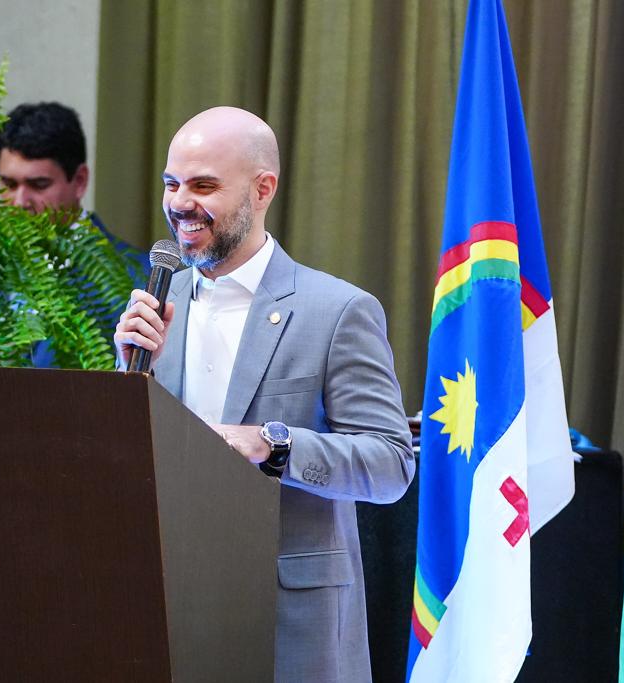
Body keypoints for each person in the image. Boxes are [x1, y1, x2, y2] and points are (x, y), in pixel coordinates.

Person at [114, 106, 415, 682]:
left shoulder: (337, 311)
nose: (180, 203)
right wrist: (130, 381)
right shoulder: (154, 308)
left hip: (289, 626)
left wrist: (271, 446)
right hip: (164, 612)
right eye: (171, 184)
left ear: (262, 189)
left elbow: (391, 464)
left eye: (203, 186)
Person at [0, 102, 149, 367]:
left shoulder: (139, 279)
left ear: (79, 181)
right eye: (9, 184)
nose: (20, 201)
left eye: (38, 184)